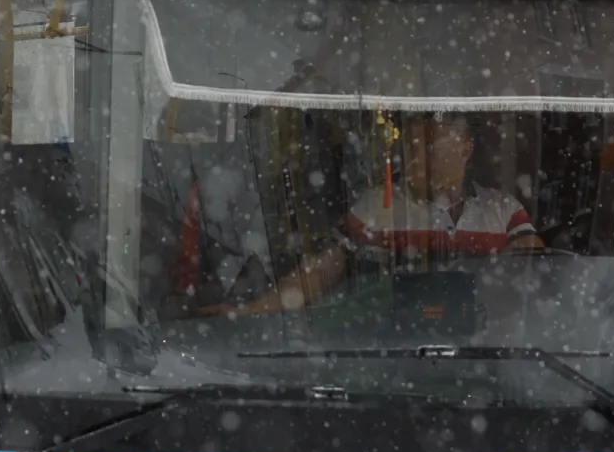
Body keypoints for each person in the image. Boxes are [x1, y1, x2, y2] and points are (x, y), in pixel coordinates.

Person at [209, 114, 540, 317]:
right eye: (410, 146)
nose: (416, 156)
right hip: (395, 355)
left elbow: (537, 274)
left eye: (430, 143)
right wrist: (250, 310)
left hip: (485, 354)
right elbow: (318, 274)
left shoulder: (504, 210)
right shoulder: (371, 210)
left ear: (465, 149)